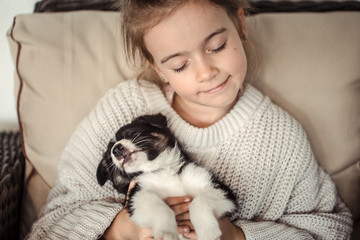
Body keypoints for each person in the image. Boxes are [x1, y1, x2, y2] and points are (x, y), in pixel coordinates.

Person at [27, 0, 353, 239]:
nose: (205, 72)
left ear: (240, 23)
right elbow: (52, 223)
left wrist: (238, 237)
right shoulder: (123, 107)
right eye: (180, 65)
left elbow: (330, 229)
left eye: (217, 45)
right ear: (157, 67)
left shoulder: (281, 138)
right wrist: (119, 230)